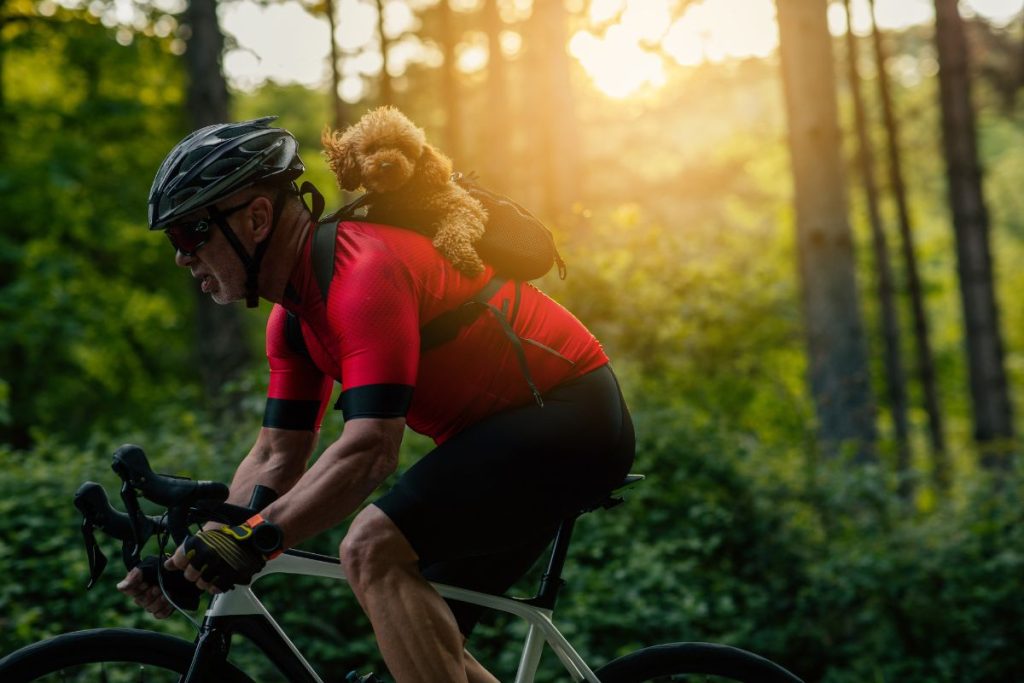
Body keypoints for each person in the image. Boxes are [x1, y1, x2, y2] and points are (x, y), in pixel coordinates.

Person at [117, 116, 635, 683]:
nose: (181, 256)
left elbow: (370, 451)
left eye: (190, 233)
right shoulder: (293, 321)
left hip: (571, 418)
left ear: (257, 218)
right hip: (497, 439)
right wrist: (196, 555)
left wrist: (256, 537)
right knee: (422, 636)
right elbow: (275, 457)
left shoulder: (362, 275)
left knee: (370, 547)